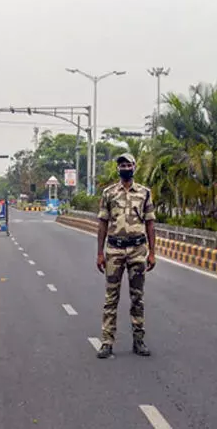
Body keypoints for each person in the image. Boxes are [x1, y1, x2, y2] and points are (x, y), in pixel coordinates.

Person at [95, 153, 156, 359]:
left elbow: (150, 223)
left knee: (137, 297)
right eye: (122, 165)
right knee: (111, 297)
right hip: (114, 250)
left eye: (128, 164)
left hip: (138, 250)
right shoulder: (109, 193)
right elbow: (102, 223)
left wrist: (152, 253)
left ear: (134, 167)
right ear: (118, 169)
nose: (125, 167)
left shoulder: (145, 193)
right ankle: (106, 341)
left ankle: (139, 340)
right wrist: (99, 253)